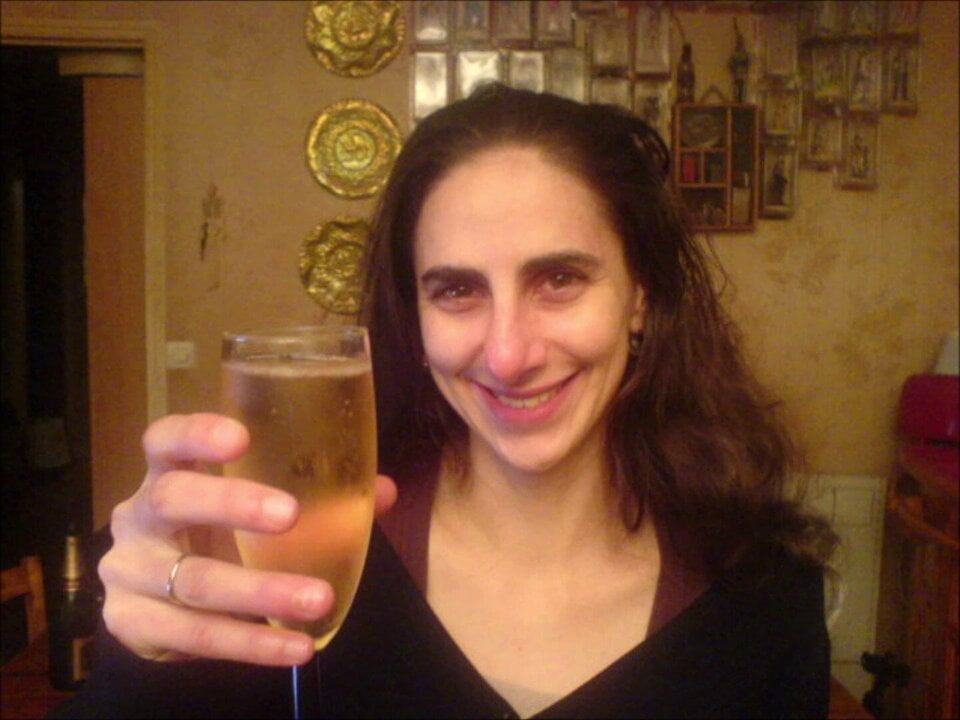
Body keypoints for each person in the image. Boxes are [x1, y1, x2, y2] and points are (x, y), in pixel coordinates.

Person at [57, 84, 837, 719]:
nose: (507, 354)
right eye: (457, 290)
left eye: (560, 279)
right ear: (415, 320)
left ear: (640, 296)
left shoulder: (764, 601)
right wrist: (143, 666)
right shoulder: (300, 567)